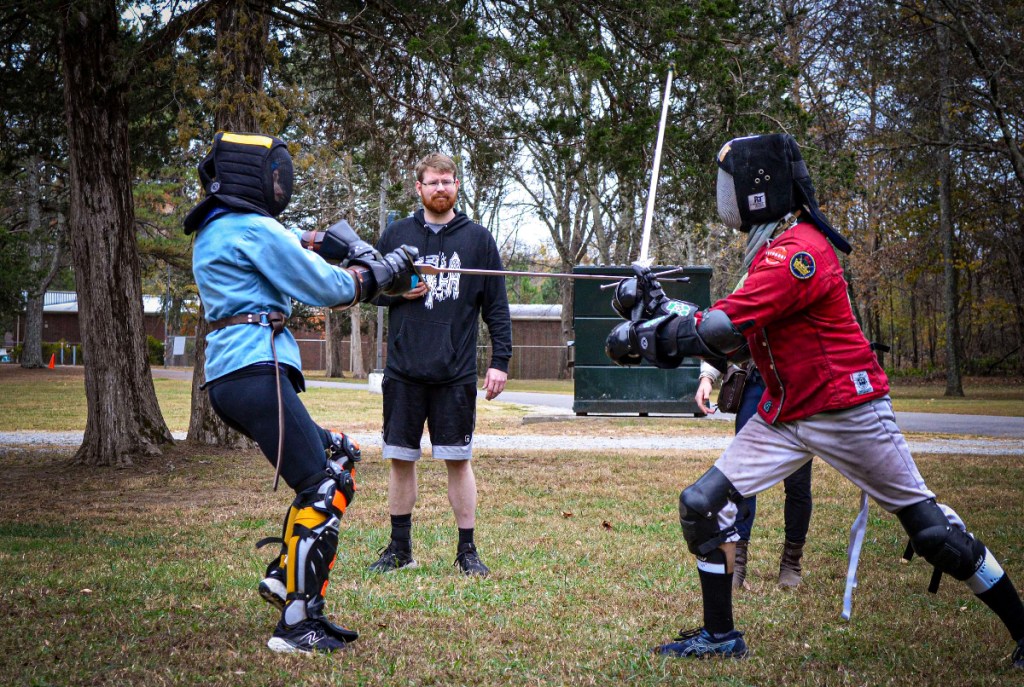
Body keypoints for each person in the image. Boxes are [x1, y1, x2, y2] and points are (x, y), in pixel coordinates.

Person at [605, 133, 1024, 666]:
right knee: (700, 505)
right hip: (785, 411)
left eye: (731, 185)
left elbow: (720, 328)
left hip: (846, 408)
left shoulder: (798, 253)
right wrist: (658, 304)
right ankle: (719, 637)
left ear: (759, 188)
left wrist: (645, 337)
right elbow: (731, 319)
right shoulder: (772, 249)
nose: (725, 197)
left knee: (933, 532)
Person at [184, 131, 421, 653]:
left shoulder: (222, 227)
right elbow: (330, 287)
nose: (281, 183)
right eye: (275, 174)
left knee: (338, 456)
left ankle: (282, 576)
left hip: (236, 375)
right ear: (255, 178)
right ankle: (298, 623)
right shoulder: (251, 227)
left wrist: (341, 245)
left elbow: (298, 243)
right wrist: (379, 270)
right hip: (254, 371)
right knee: (321, 486)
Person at [368, 152, 512, 577]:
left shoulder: (478, 240)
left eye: (447, 181)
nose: (440, 189)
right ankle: (400, 549)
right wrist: (396, 291)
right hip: (404, 371)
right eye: (432, 182)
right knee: (400, 458)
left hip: (454, 373)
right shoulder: (395, 234)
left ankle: (467, 551)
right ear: (419, 187)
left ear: (456, 186)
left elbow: (497, 308)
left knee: (458, 459)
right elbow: (366, 290)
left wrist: (499, 361)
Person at [696, 361, 813, 588]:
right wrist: (707, 377)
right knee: (741, 479)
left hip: (798, 383)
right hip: (757, 380)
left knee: (798, 481)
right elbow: (723, 332)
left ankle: (791, 563)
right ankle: (737, 564)